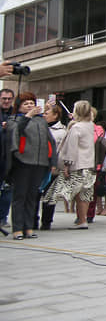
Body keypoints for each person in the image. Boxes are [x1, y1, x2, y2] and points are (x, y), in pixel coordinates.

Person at [4, 92, 57, 239]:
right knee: (20, 196)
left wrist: (52, 161)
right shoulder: (14, 119)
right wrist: (27, 117)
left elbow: (50, 141)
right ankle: (17, 229)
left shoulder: (40, 121)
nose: (29, 106)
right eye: (26, 104)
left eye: (31, 103)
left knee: (32, 197)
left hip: (39, 163)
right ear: (19, 107)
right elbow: (15, 132)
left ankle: (28, 227)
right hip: (23, 162)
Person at [50, 100, 97, 230]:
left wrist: (66, 165)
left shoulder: (76, 128)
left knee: (78, 194)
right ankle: (84, 219)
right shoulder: (90, 125)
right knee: (86, 193)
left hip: (78, 164)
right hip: (89, 163)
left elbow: (71, 148)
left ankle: (81, 220)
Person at [39, 103, 67, 230]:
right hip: (38, 166)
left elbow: (62, 152)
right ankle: (32, 220)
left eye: (47, 113)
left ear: (56, 115)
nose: (44, 115)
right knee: (35, 195)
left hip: (53, 168)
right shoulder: (40, 127)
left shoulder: (62, 131)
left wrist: (57, 166)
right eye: (44, 113)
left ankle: (46, 222)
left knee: (50, 196)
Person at [0, 88, 16, 227]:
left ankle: (3, 217)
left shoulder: (15, 114)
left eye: (9, 99)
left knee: (7, 190)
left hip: (9, 159)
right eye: (4, 98)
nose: (6, 101)